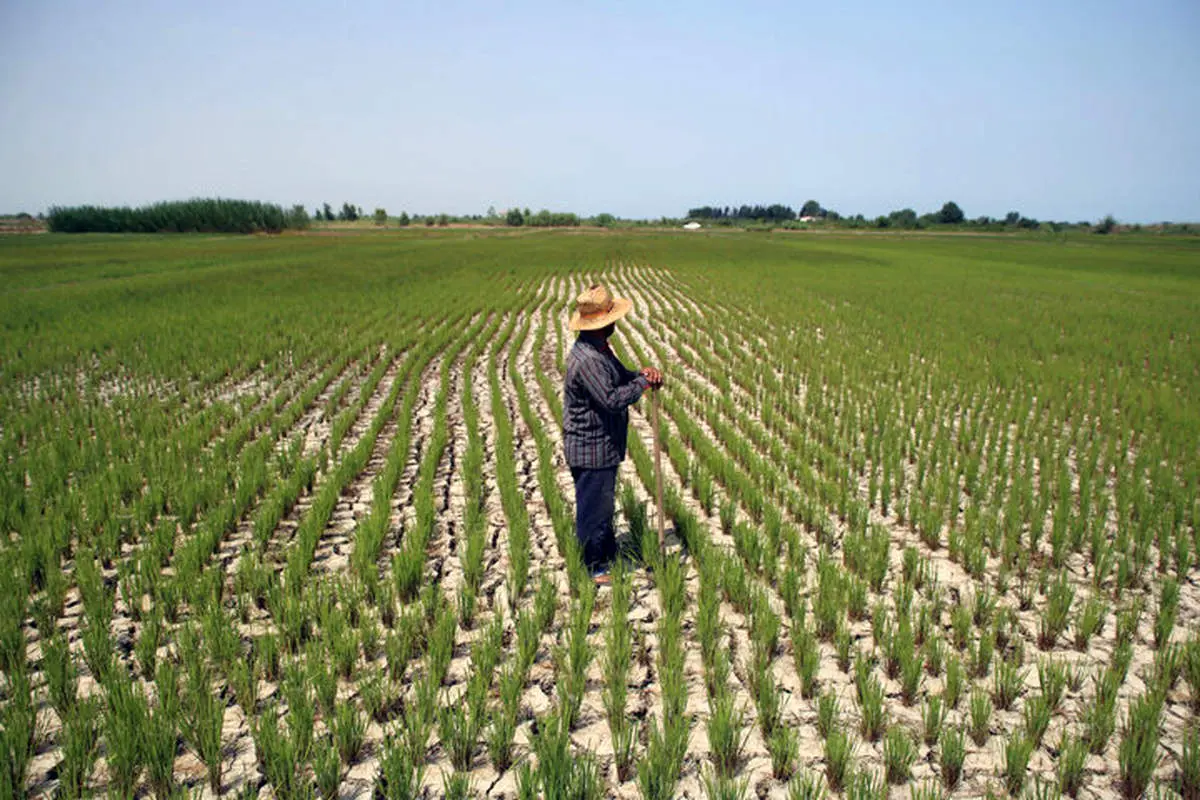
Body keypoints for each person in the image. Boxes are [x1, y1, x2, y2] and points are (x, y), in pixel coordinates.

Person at [563, 284, 662, 585]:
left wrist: (641, 376)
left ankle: (606, 553)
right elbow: (611, 398)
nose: (616, 323)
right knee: (593, 508)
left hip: (602, 444)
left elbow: (620, 376)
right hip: (590, 446)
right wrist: (642, 386)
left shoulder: (599, 348)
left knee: (603, 503)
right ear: (603, 323)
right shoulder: (589, 359)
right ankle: (593, 567)